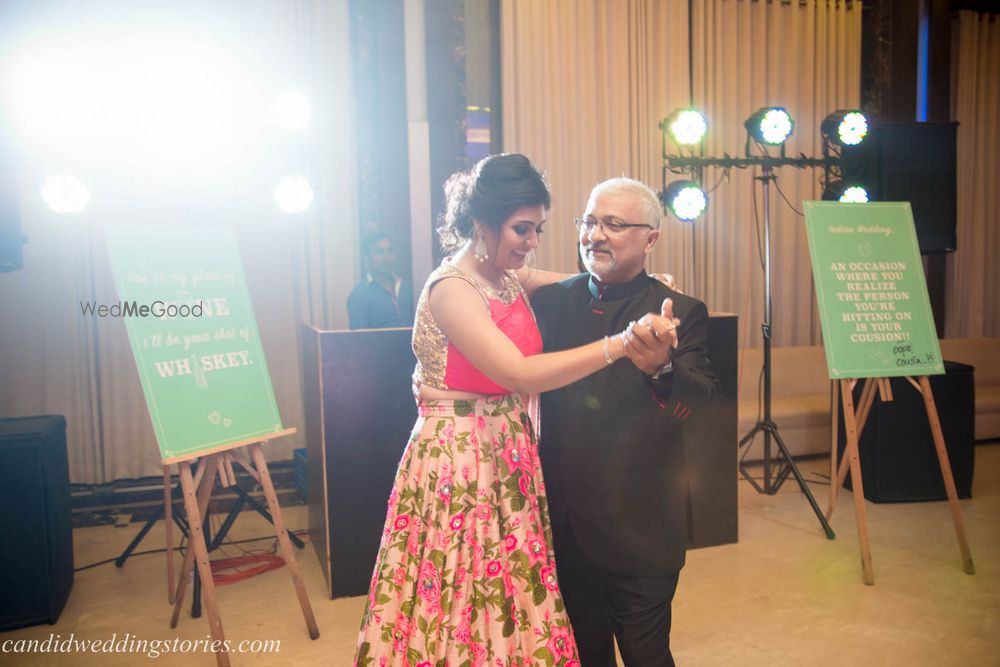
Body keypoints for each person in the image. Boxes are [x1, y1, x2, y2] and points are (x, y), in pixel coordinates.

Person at [354, 155, 668, 666]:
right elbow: (518, 373)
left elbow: (572, 279)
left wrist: (640, 287)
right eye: (522, 229)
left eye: (538, 229)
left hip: (506, 450)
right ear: (482, 223)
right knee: (462, 590)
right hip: (459, 459)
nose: (531, 242)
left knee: (508, 590)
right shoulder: (452, 289)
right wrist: (620, 343)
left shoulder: (506, 276)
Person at [530, 177, 721, 667]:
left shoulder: (682, 312)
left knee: (645, 656)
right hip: (567, 526)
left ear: (650, 239)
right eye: (589, 221)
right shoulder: (552, 302)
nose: (595, 234)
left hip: (641, 531)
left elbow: (698, 404)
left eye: (613, 224)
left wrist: (661, 367)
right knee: (582, 654)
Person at [347, 231, 415, 329]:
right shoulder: (359, 294)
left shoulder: (403, 286)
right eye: (379, 252)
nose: (386, 256)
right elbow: (359, 340)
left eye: (390, 251)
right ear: (366, 257)